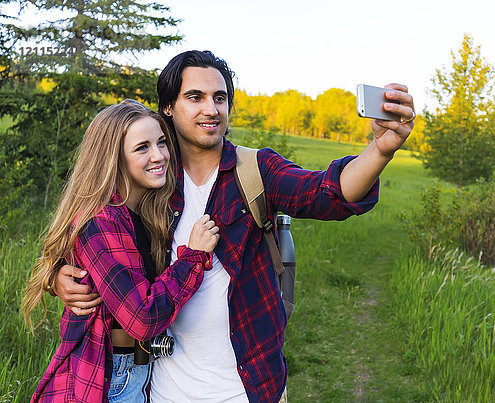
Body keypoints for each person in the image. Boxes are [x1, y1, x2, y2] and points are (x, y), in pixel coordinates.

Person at [53, 50, 416, 402]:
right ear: (168, 107)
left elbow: (327, 192)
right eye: (195, 97)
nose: (211, 109)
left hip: (246, 388)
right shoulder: (152, 176)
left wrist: (380, 151)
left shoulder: (254, 171)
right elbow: (93, 234)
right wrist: (59, 277)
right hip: (163, 389)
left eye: (220, 97)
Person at [21, 100, 220, 402]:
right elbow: (142, 316)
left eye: (162, 143)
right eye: (142, 148)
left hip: (144, 372)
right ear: (113, 158)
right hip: (110, 378)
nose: (159, 155)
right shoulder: (101, 220)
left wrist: (56, 275)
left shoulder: (150, 209)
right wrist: (192, 258)